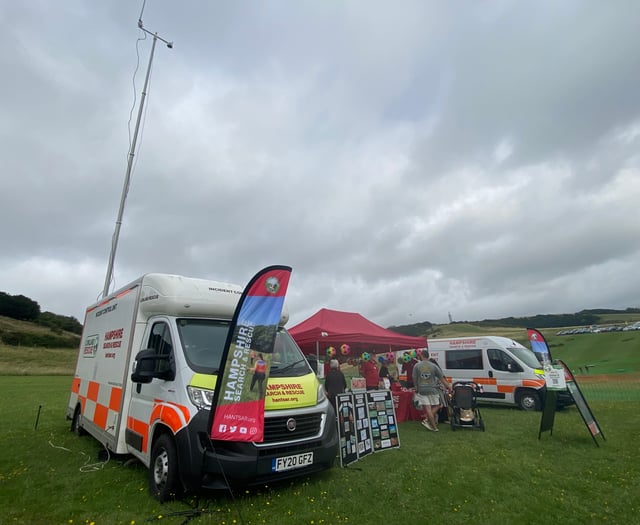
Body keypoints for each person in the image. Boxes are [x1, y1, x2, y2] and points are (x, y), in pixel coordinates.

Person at [413, 349, 451, 431]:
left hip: (421, 389)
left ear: (421, 356)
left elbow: (414, 377)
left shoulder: (417, 366)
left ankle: (434, 428)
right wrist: (449, 387)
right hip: (432, 389)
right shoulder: (434, 366)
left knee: (428, 408)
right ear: (428, 356)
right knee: (439, 405)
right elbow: (442, 379)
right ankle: (426, 420)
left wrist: (416, 387)